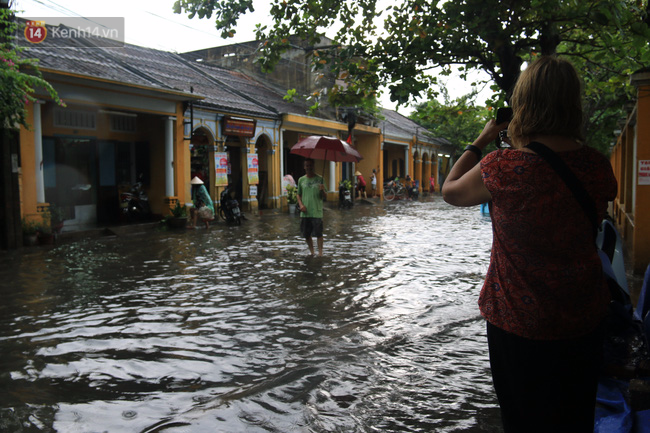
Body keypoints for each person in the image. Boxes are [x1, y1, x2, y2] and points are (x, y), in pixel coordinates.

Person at [441, 56, 617, 433]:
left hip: (517, 323)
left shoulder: (501, 167)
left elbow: (450, 191)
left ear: (524, 103)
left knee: (522, 420)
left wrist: (484, 138)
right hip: (582, 316)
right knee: (574, 418)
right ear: (573, 102)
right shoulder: (598, 166)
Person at [297, 158, 326, 256]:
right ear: (304, 167)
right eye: (307, 165)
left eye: (310, 165)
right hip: (305, 212)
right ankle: (312, 252)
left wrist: (322, 190)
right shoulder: (301, 180)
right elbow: (298, 194)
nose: (309, 167)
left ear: (313, 166)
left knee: (319, 233)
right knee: (306, 234)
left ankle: (320, 253)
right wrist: (301, 205)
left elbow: (325, 197)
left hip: (317, 212)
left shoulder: (320, 179)